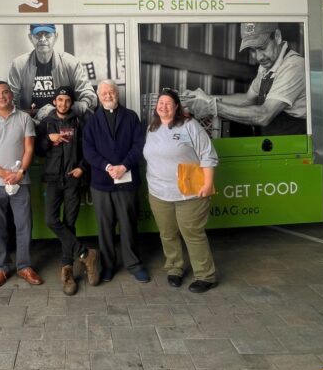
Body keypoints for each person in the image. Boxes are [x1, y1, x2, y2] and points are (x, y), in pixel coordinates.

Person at [143, 89, 219, 293]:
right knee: (167, 234)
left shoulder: (189, 125)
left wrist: (208, 183)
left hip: (190, 193)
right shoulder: (152, 128)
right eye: (160, 103)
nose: (163, 106)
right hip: (159, 193)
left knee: (192, 234)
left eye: (168, 103)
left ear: (176, 106)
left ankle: (205, 275)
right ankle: (174, 269)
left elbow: (208, 155)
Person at [0, 81, 43, 289]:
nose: (1, 96)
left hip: (20, 182)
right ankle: (2, 267)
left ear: (11, 95)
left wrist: (19, 172)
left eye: (5, 92)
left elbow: (29, 149)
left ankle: (24, 266)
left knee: (24, 226)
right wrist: (3, 173)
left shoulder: (24, 118)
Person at [185, 22, 307, 136]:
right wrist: (205, 98)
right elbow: (247, 99)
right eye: (252, 51)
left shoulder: (294, 66)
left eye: (262, 48)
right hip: (273, 144)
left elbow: (264, 115)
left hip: (294, 147)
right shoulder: (266, 66)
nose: (258, 57)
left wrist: (212, 107)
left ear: (277, 36)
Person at [82, 79, 149, 283]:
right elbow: (88, 151)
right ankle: (109, 265)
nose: (108, 96)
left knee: (128, 224)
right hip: (102, 182)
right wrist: (107, 166)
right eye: (104, 93)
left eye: (111, 92)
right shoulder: (92, 121)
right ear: (99, 96)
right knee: (105, 226)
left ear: (117, 94)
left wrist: (124, 166)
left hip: (126, 179)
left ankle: (134, 264)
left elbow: (139, 145)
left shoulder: (131, 117)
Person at [36, 86, 99, 295]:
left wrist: (83, 167)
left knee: (70, 224)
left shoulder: (80, 121)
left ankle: (68, 272)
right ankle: (85, 253)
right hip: (54, 179)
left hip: (73, 179)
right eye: (60, 100)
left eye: (67, 100)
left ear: (72, 103)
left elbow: (89, 148)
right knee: (51, 220)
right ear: (54, 101)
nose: (63, 104)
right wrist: (48, 140)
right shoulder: (46, 123)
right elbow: (37, 148)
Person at [8, 24, 97, 122]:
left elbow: (88, 93)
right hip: (29, 123)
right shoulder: (18, 65)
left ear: (56, 37)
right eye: (38, 35)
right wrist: (25, 121)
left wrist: (84, 103)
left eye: (47, 35)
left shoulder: (71, 63)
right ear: (30, 38)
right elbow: (10, 99)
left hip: (64, 123)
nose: (42, 39)